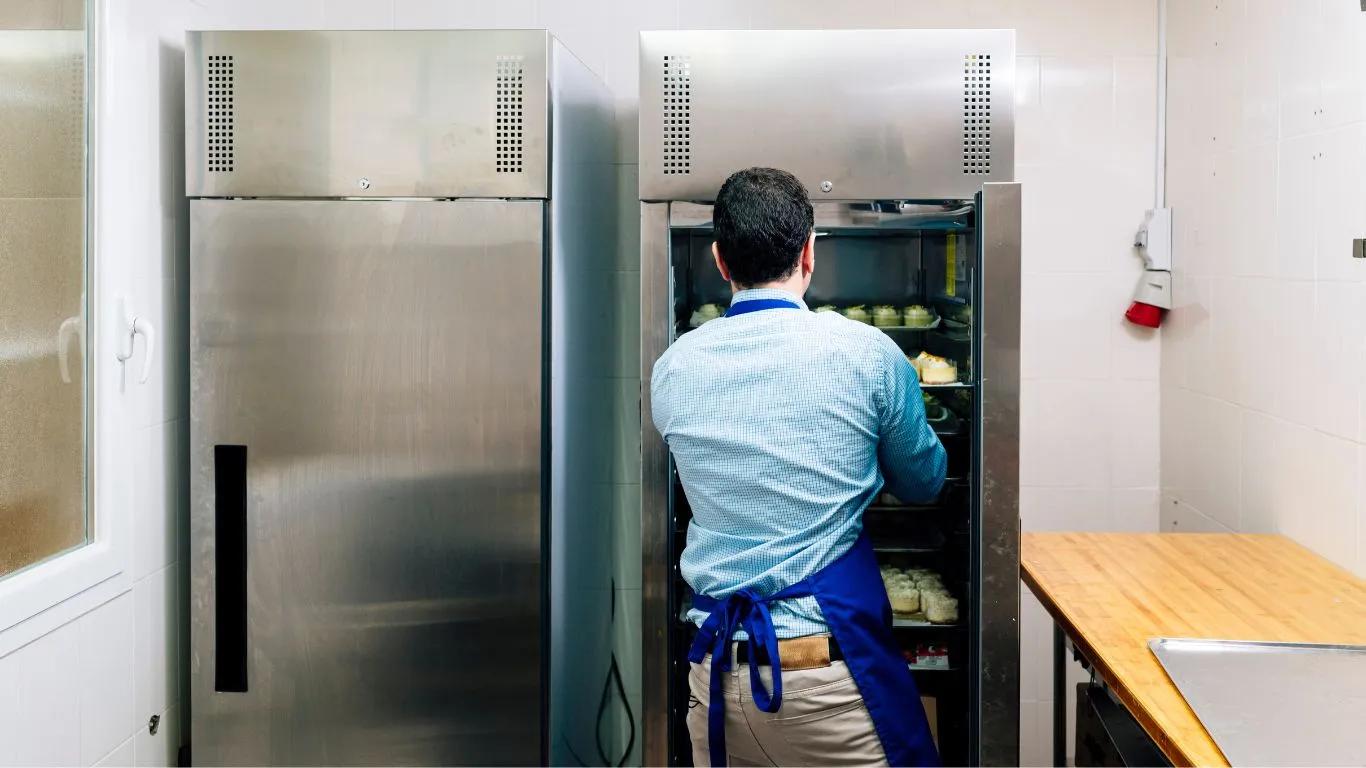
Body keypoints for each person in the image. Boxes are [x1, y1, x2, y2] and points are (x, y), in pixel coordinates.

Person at [650, 167, 948, 767]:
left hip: (714, 677)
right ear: (809, 252)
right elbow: (923, 483)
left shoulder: (674, 366)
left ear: (718, 260)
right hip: (828, 679)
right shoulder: (865, 352)